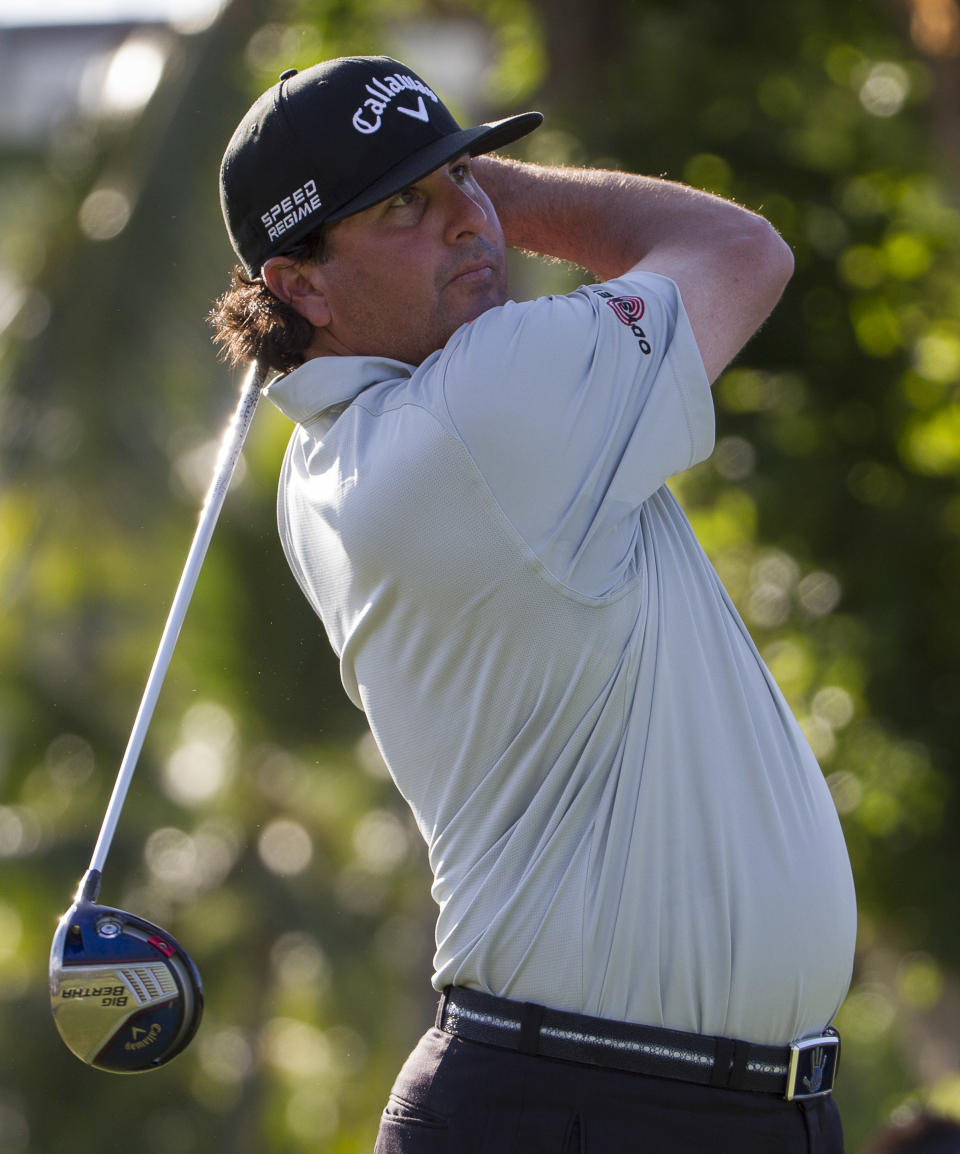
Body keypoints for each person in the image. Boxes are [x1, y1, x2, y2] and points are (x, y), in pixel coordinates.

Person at [212, 55, 858, 1154]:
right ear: (303, 286)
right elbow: (742, 250)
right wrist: (509, 195)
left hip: (637, 1099)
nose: (468, 220)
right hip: (590, 1105)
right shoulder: (475, 415)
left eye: (466, 176)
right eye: (408, 204)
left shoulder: (331, 464)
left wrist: (440, 197)